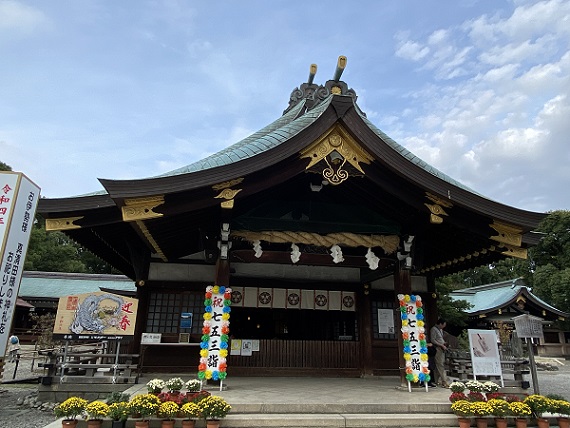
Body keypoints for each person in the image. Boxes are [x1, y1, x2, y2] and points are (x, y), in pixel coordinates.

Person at [430, 318, 450, 387]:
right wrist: (441, 344)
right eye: (443, 325)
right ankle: (444, 381)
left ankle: (436, 380)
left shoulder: (440, 330)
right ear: (440, 324)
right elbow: (433, 340)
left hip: (442, 348)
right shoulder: (433, 329)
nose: (444, 326)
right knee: (440, 364)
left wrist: (444, 343)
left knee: (438, 365)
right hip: (437, 348)